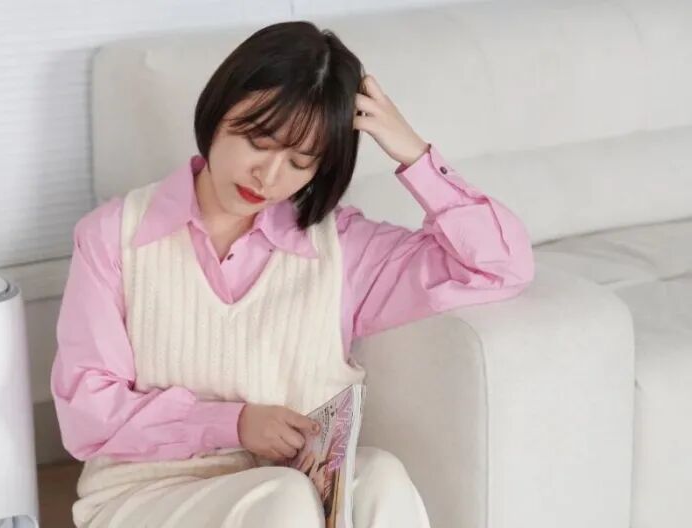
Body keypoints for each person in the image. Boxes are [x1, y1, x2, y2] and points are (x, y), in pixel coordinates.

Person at [51, 20, 534, 528]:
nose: (269, 175)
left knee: (380, 477)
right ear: (219, 110)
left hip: (292, 492)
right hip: (147, 495)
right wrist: (233, 424)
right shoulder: (113, 236)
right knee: (283, 497)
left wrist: (414, 154)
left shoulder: (342, 249)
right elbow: (87, 411)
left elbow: (498, 265)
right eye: (258, 140)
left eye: (301, 162)